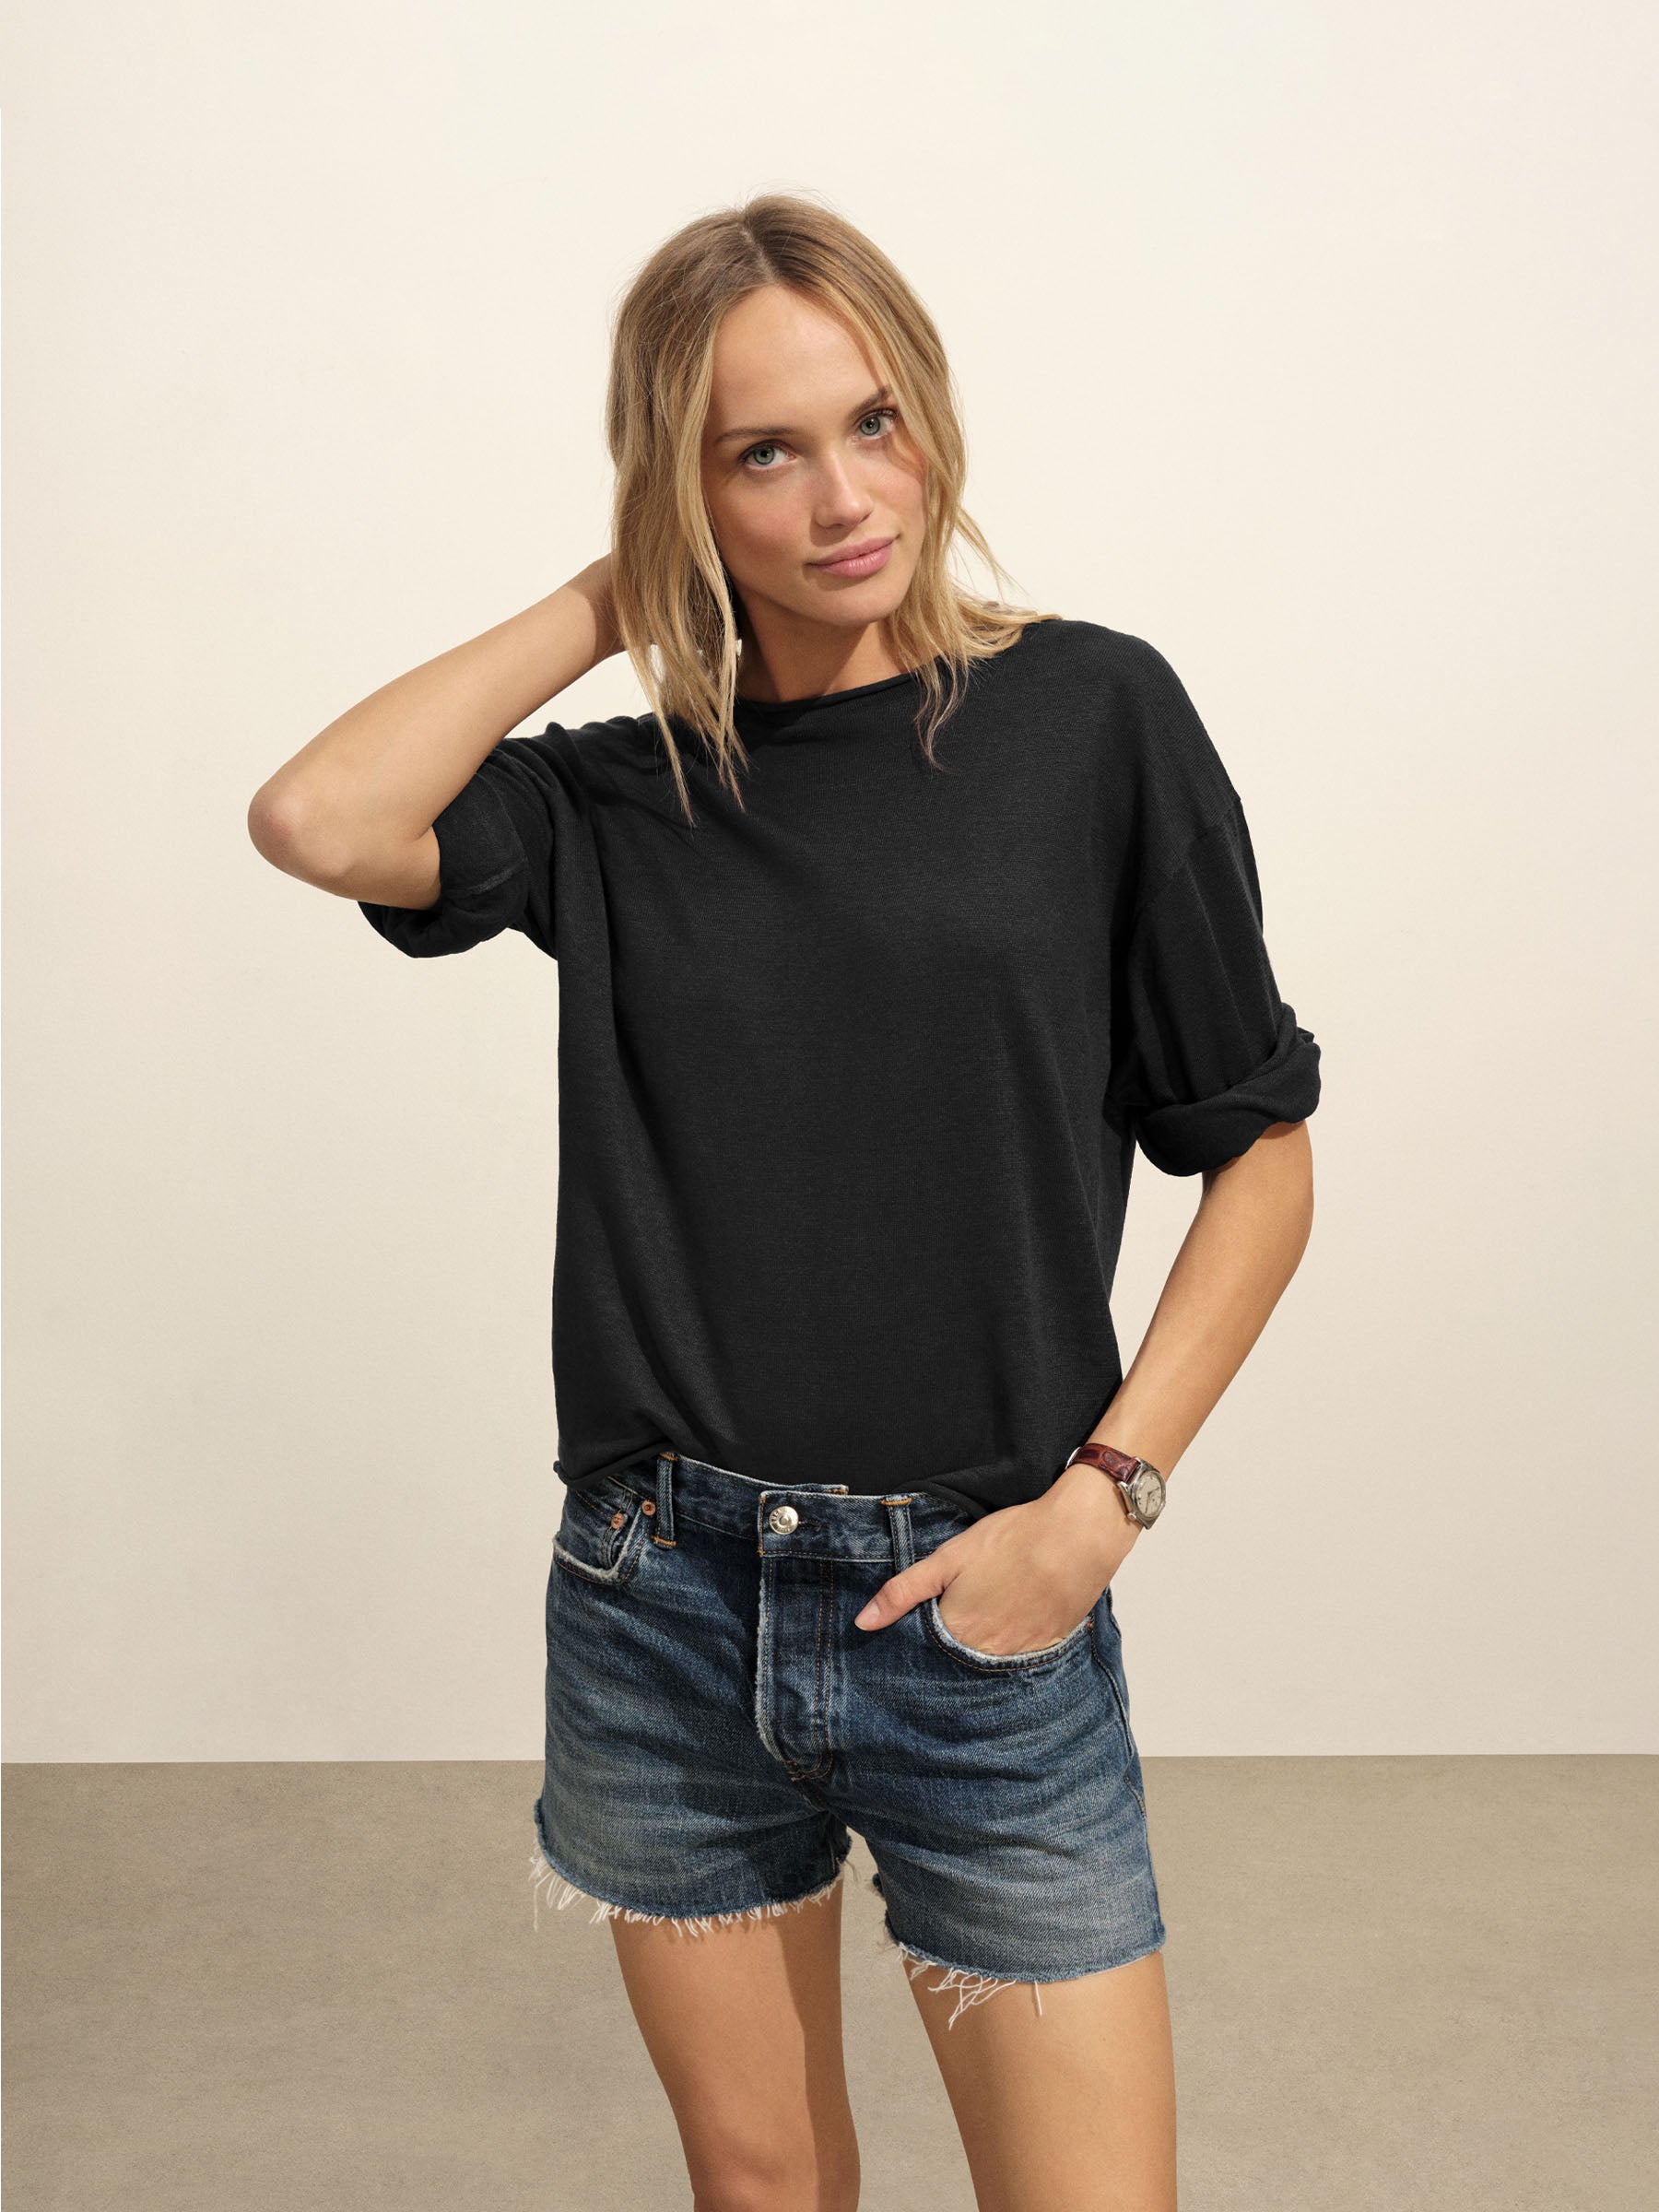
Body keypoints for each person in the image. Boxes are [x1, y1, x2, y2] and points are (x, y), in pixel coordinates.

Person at [249, 192, 1320, 2212]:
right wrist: (614, 593)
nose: (844, 498)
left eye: (874, 421)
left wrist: (1106, 1502)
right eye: (761, 452)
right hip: (663, 1595)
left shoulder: (1094, 720)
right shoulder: (616, 798)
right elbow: (318, 817)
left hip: (983, 1602)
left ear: (933, 417)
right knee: (761, 2192)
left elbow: (1260, 1148)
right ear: (685, 485)